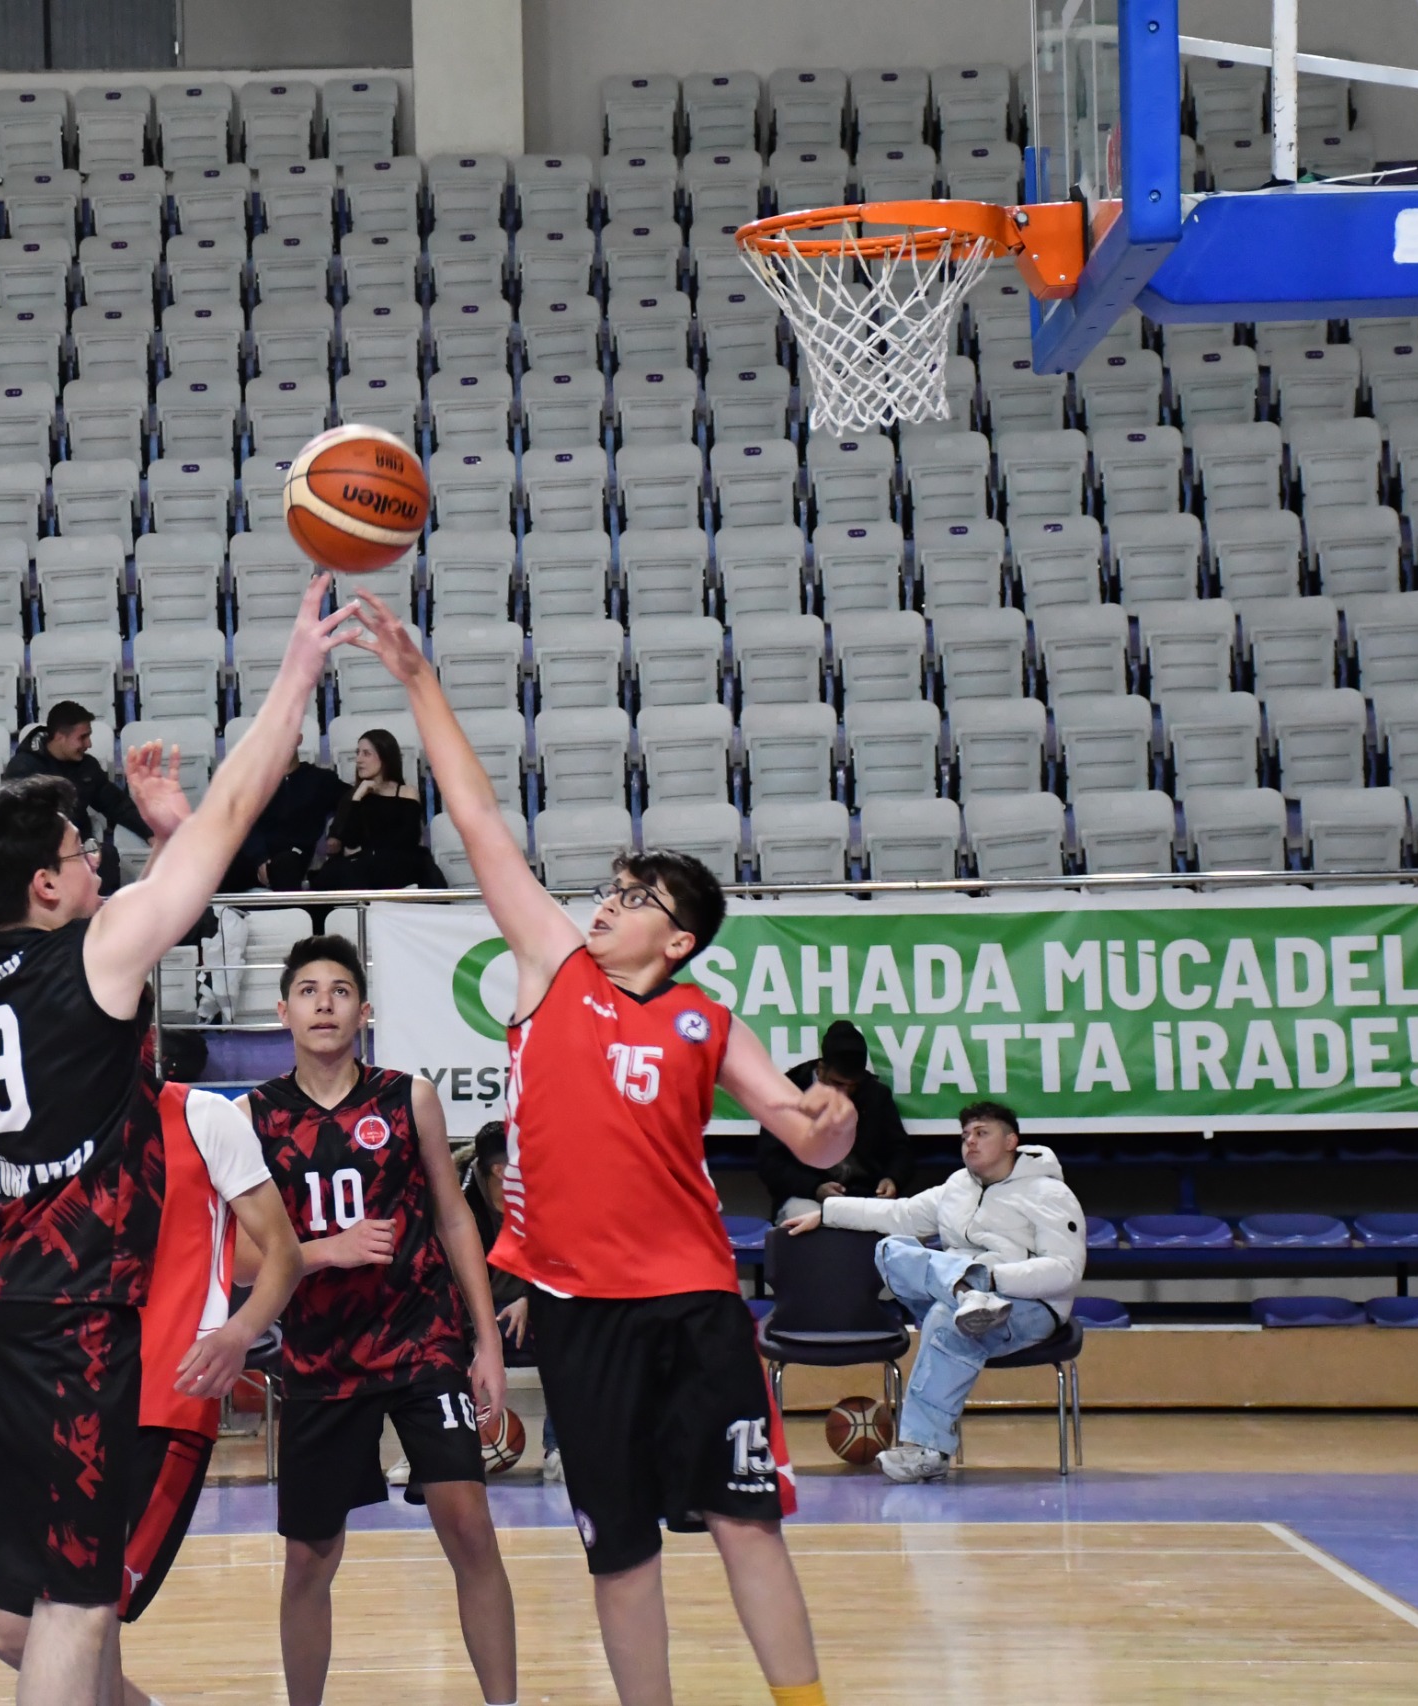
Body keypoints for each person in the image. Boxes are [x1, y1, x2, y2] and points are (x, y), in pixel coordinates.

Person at [348, 591, 858, 1706]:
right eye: (611, 888)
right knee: (616, 1546)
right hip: (579, 1308)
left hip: (692, 1300)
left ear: (675, 938)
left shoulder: (706, 1018)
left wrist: (832, 1119)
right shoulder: (553, 968)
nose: (606, 903)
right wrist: (418, 681)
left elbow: (804, 1127)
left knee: (743, 1520)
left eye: (635, 899)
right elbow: (482, 823)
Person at [0, 576, 359, 1706]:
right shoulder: (94, 949)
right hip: (74, 1307)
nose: (99, 864)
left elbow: (137, 963)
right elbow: (228, 823)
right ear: (44, 885)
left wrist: (167, 834)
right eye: (84, 852)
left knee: (29, 1610)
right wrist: (294, 678)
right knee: (78, 1602)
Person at [238, 933, 518, 1706]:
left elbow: (456, 1218)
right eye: (307, 990)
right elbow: (235, 1259)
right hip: (321, 1359)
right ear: (282, 1012)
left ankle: (506, 1701)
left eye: (338, 990)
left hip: (421, 1337)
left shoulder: (407, 1096)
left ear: (364, 1011)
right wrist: (326, 1251)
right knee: (308, 1559)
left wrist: (485, 1340)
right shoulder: (253, 1116)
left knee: (468, 1523)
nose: (323, 1002)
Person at [0, 1078, 303, 1704]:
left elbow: (281, 1256)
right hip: (62, 1406)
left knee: (83, 1620)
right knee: (17, 1631)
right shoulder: (48, 1133)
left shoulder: (203, 1116)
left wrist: (238, 1334)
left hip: (166, 1403)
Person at [782, 1100, 1085, 1486]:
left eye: (981, 1133)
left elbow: (1065, 1272)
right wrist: (827, 1212)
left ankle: (924, 1450)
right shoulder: (957, 1187)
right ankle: (966, 1294)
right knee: (891, 1249)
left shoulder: (1049, 1194)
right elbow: (899, 1215)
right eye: (965, 1136)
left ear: (1011, 1141)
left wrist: (992, 1280)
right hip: (963, 1302)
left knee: (947, 1321)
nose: (970, 1143)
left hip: (1027, 1307)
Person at [463, 1120, 560, 1485]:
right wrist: (477, 1326)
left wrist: (529, 1298)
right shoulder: (461, 1200)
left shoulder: (546, 1193)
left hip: (528, 1306)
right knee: (435, 1341)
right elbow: (445, 1278)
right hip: (474, 1310)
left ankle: (557, 1450)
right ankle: (440, 1454)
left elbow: (565, 1261)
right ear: (501, 1170)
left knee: (563, 1330)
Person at [758, 1020, 915, 1220]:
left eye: (853, 1085)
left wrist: (892, 1178)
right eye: (838, 1083)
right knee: (810, 1220)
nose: (845, 1092)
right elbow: (770, 1161)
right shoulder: (788, 1092)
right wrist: (814, 1187)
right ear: (821, 1069)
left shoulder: (875, 1094)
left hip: (864, 1193)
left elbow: (900, 1150)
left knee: (906, 1223)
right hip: (805, 1196)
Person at [2, 700, 153, 892]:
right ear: (59, 737)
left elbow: (116, 804)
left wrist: (150, 832)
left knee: (108, 857)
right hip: (39, 859)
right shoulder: (22, 769)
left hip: (81, 855)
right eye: (82, 737)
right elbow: (14, 824)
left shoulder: (86, 766)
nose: (88, 744)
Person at [308, 728, 432, 890]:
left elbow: (408, 838)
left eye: (366, 754)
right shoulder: (353, 797)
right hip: (364, 866)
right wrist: (358, 797)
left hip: (398, 864)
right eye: (358, 753)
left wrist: (370, 848)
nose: (358, 759)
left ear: (385, 757)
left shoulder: (407, 792)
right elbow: (350, 844)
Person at [229, 738, 346, 891]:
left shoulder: (321, 780)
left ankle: (294, 913)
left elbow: (350, 802)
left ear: (298, 738)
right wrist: (260, 859)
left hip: (294, 856)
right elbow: (243, 822)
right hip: (256, 857)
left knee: (286, 863)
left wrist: (336, 833)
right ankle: (216, 914)